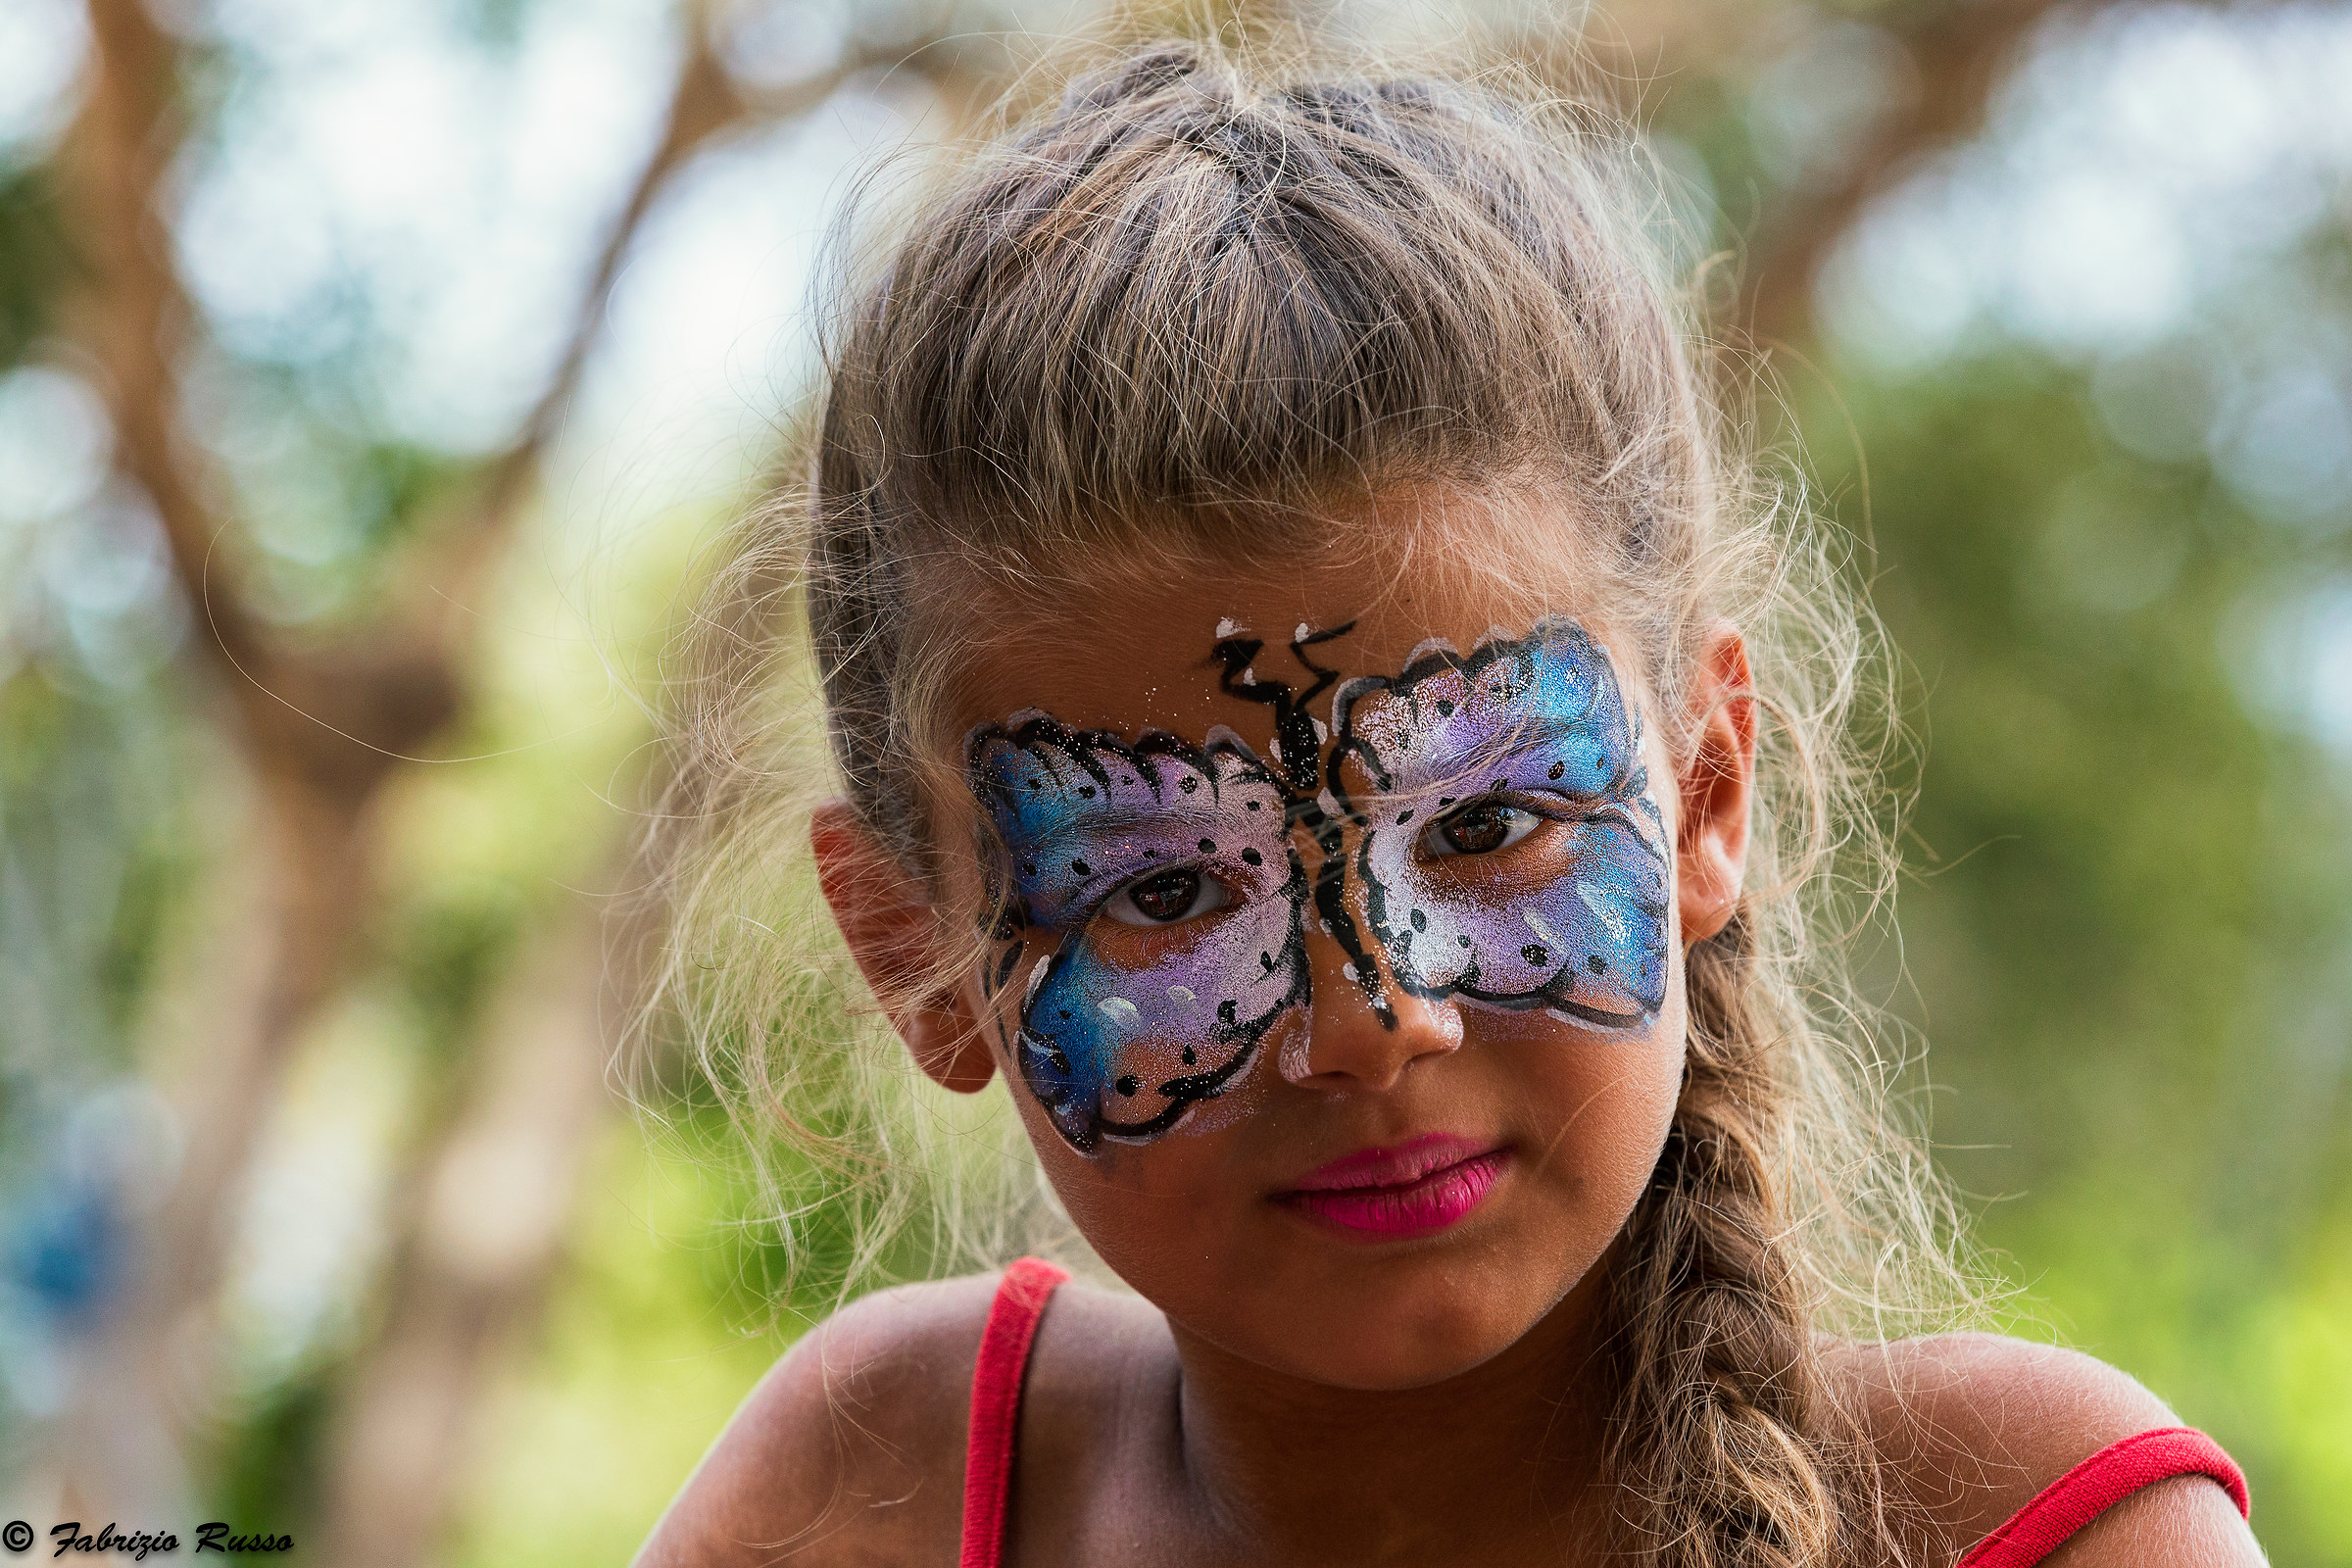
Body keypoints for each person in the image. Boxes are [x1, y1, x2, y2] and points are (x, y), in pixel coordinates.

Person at [634, 42, 2263, 1568]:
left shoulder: (2029, 1527)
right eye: (1166, 894)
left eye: (1483, 829)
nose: (1367, 1018)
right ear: (914, 948)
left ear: (1703, 791)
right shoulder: (874, 1491)